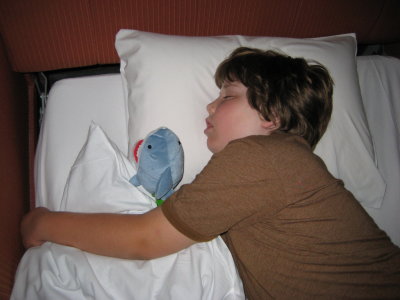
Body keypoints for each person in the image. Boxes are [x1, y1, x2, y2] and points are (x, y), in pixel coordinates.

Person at [22, 47, 400, 299]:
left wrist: (42, 223)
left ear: (272, 116)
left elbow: (145, 239)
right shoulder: (279, 167)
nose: (209, 104)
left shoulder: (261, 158)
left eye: (227, 96)